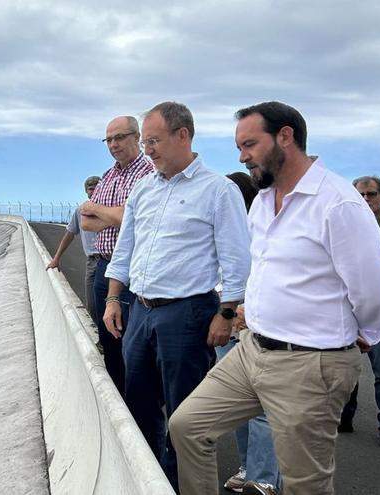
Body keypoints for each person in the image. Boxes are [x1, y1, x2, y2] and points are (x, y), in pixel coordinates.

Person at [169, 101, 380, 495]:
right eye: (240, 146)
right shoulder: (262, 201)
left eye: (250, 144)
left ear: (285, 137)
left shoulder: (337, 203)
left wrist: (367, 335)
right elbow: (265, 269)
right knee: (188, 426)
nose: (242, 156)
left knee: (305, 484)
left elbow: (372, 289)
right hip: (252, 350)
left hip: (309, 363)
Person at [102, 101, 251, 489]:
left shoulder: (219, 190)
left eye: (153, 141)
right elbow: (126, 249)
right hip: (141, 311)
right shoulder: (143, 189)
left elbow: (237, 258)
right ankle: (146, 477)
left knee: (185, 413)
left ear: (182, 135)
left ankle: (177, 483)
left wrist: (227, 312)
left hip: (187, 314)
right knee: (139, 403)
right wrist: (113, 298)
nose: (147, 149)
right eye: (146, 142)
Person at [79, 116, 154, 392]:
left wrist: (104, 211)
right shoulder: (109, 175)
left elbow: (130, 217)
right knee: (108, 339)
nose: (113, 144)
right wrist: (116, 215)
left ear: (137, 138)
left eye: (120, 137)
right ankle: (116, 398)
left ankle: (135, 407)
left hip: (130, 271)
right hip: (103, 268)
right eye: (108, 139)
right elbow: (85, 220)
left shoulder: (146, 173)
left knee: (131, 342)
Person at [219, 172, 282, 494]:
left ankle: (265, 478)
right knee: (238, 408)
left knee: (260, 410)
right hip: (227, 327)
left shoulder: (263, 230)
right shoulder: (222, 230)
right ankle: (248, 469)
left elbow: (273, 276)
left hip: (258, 329)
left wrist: (247, 310)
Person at [338, 175, 380, 449]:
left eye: (372, 194)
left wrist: (348, 268)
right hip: (347, 311)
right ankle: (345, 417)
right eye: (361, 195)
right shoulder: (345, 227)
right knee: (347, 369)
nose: (366, 199)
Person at [47, 176, 102, 334]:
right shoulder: (80, 211)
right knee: (92, 305)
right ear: (86, 192)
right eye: (90, 189)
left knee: (113, 303)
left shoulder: (109, 209)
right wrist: (56, 258)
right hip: (92, 261)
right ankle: (101, 338)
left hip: (110, 260)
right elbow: (69, 234)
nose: (93, 191)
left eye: (96, 187)